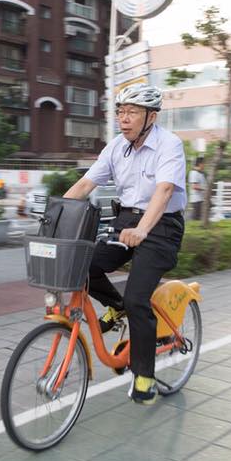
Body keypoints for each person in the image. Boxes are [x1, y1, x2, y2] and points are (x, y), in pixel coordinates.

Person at [64, 84, 186, 405]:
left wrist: (144, 229)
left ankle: (144, 375)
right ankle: (115, 307)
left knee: (137, 299)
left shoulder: (169, 145)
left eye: (131, 112)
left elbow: (164, 192)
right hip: (125, 223)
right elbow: (87, 182)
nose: (123, 118)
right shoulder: (116, 146)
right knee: (84, 265)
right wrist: (55, 213)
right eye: (120, 112)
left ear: (151, 117)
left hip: (161, 228)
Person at [188, 156, 207, 221]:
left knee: (199, 219)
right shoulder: (194, 173)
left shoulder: (200, 173)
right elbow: (194, 186)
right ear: (200, 164)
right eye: (204, 163)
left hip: (201, 199)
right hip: (196, 200)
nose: (205, 165)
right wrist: (205, 189)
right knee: (195, 219)